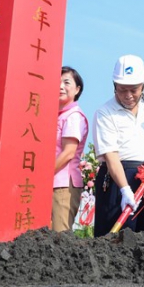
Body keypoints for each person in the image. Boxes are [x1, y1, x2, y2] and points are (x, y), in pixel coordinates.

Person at [93, 55, 144, 237]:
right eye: (122, 90)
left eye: (134, 90)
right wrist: (124, 189)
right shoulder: (105, 113)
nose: (128, 96)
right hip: (119, 179)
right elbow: (111, 156)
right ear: (114, 86)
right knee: (117, 239)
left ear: (143, 86)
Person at [52, 66, 89, 232]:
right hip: (52, 183)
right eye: (57, 82)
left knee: (59, 237)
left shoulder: (73, 116)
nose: (60, 86)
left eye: (66, 82)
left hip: (63, 185)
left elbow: (68, 153)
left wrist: (42, 176)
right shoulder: (55, 115)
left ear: (77, 89)